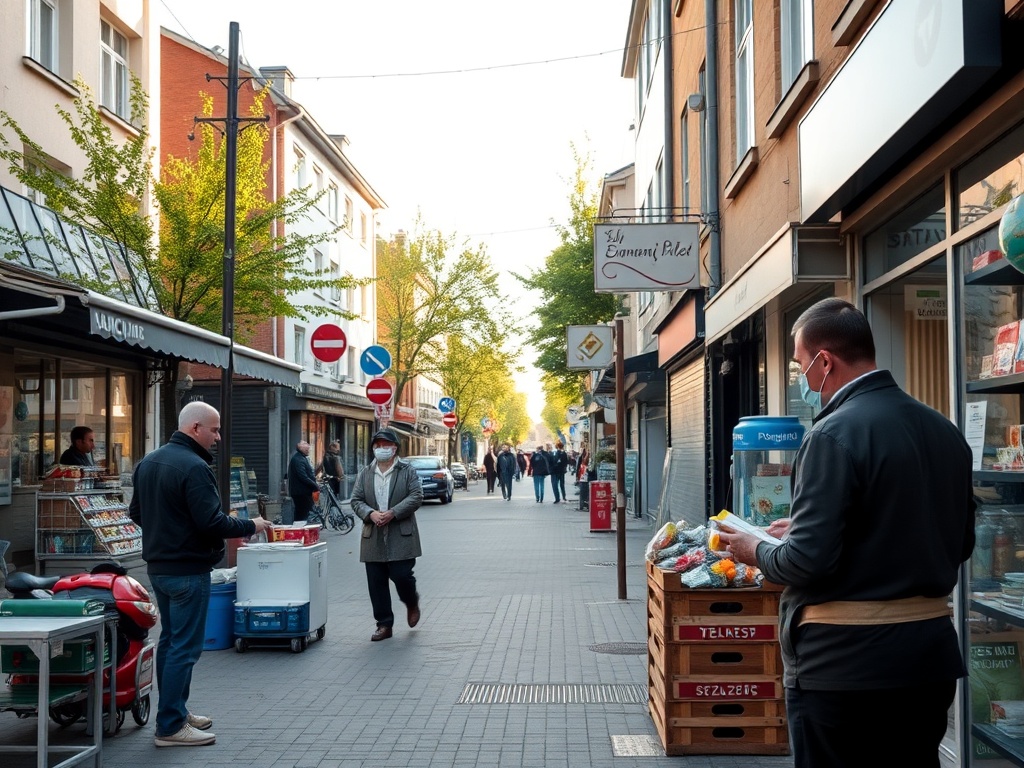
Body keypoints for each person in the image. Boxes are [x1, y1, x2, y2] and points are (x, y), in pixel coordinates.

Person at [716, 298, 974, 768]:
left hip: (846, 667)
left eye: (799, 365)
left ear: (825, 361)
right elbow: (956, 541)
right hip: (929, 659)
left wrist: (755, 547)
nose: (803, 377)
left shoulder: (832, 433)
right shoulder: (943, 430)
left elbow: (804, 563)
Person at [128, 401, 270, 747]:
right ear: (195, 428)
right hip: (189, 571)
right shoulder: (193, 467)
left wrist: (167, 532)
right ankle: (171, 726)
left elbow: (136, 512)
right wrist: (252, 523)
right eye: (215, 429)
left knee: (170, 642)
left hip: (159, 570)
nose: (218, 437)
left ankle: (174, 710)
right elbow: (212, 522)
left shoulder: (149, 461)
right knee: (185, 648)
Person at [349, 428, 424, 642]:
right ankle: (384, 624)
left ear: (395, 447)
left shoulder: (407, 471)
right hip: (373, 534)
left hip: (401, 533)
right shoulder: (366, 473)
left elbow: (416, 496)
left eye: (386, 445)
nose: (381, 449)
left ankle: (411, 602)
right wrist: (370, 514)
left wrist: (393, 513)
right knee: (376, 581)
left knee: (402, 576)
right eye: (377, 445)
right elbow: (356, 500)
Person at [288, 440, 319, 523]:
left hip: (301, 492)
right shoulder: (299, 459)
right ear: (301, 448)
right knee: (302, 513)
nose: (308, 451)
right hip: (301, 492)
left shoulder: (301, 458)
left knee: (302, 512)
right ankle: (299, 529)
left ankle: (299, 528)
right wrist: (315, 485)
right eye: (306, 449)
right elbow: (303, 476)